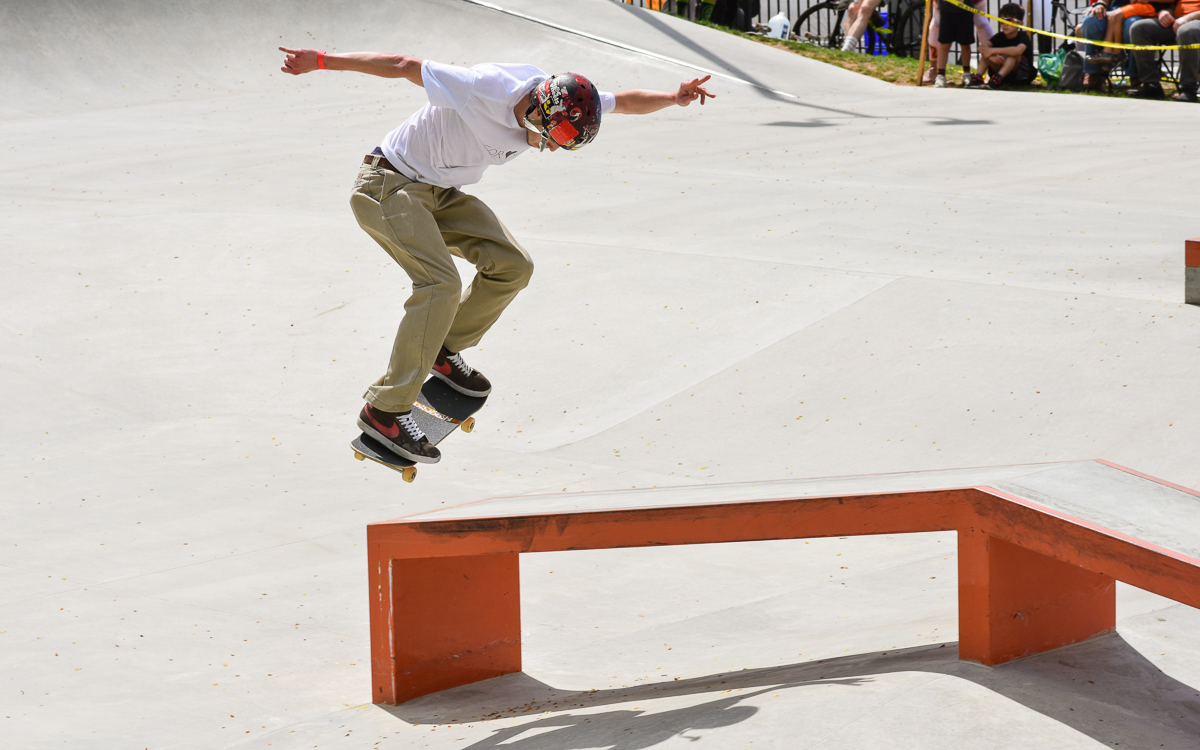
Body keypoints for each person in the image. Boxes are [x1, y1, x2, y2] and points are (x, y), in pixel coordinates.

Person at [278, 47, 715, 463]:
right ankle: (385, 410)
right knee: (440, 285)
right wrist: (320, 61)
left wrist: (674, 98)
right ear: (536, 109)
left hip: (440, 193)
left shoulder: (564, 99)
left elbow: (624, 102)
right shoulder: (482, 87)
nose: (551, 147)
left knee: (513, 266)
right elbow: (402, 63)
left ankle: (440, 350)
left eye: (564, 143)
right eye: (553, 137)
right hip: (388, 184)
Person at [1128, 0, 1200, 100]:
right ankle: (1151, 86)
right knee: (1139, 28)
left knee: (1186, 31)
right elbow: (1173, 4)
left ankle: (1189, 89)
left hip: (1194, 22)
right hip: (1178, 20)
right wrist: (1165, 11)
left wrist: (1187, 18)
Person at [922, 0, 994, 84]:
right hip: (946, 8)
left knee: (979, 28)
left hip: (966, 8)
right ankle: (936, 71)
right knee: (940, 35)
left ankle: (990, 68)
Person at [1078, 0, 1145, 90]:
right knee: (1090, 20)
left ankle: (1134, 73)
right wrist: (1101, 4)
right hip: (1113, 10)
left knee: (1133, 25)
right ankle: (1093, 71)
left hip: (1136, 11)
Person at [976, 3, 1037, 88]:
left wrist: (993, 51)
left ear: (1020, 23)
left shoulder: (1023, 36)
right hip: (1003, 72)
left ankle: (997, 79)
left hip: (1021, 75)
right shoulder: (1000, 36)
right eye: (1002, 21)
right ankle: (977, 78)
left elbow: (1018, 50)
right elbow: (981, 47)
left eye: (1010, 20)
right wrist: (991, 57)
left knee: (1013, 56)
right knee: (987, 54)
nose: (1005, 24)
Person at [934, 0, 976, 86]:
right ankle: (940, 75)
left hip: (965, 10)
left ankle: (966, 73)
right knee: (944, 44)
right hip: (946, 10)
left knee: (965, 44)